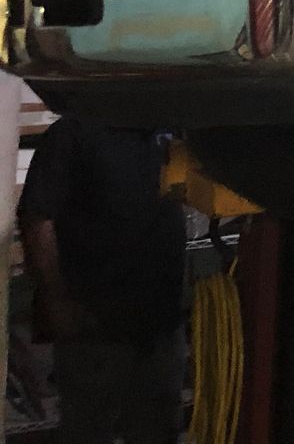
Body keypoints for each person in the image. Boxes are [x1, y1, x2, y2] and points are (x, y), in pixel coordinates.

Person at [18, 118, 187, 444]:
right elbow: (38, 217)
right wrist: (56, 299)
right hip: (94, 324)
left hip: (161, 320)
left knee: (159, 427)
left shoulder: (166, 127)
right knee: (89, 429)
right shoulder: (75, 132)